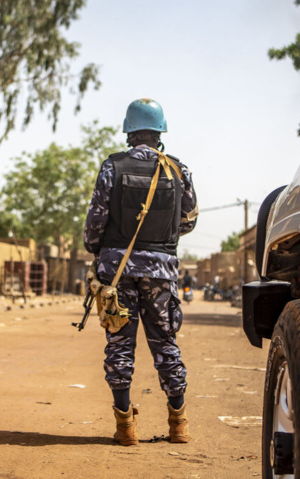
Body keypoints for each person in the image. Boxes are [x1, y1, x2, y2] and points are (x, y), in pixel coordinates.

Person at [84, 98, 198, 446]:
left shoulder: (112, 167)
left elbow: (95, 222)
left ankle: (125, 428)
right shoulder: (178, 170)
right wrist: (160, 243)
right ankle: (178, 424)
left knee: (119, 345)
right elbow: (189, 221)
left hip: (116, 274)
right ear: (159, 132)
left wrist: (97, 250)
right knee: (165, 343)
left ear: (129, 132)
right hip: (161, 273)